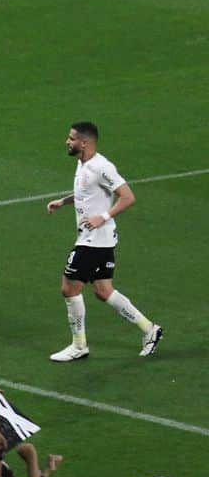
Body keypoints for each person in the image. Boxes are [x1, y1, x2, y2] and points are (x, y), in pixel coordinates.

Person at [46, 121, 163, 361]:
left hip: (94, 240)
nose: (67, 142)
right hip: (98, 239)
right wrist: (64, 201)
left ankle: (79, 346)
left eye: (71, 138)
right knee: (103, 290)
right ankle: (150, 329)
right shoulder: (83, 164)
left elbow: (128, 197)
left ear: (84, 142)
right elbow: (87, 194)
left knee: (69, 287)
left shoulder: (102, 166)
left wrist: (104, 216)